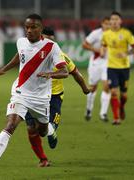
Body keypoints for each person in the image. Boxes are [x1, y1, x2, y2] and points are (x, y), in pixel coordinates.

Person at [0, 14, 68, 178]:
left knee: (42, 131)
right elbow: (19, 56)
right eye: (27, 27)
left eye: (33, 27)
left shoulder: (52, 47)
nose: (29, 30)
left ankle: (51, 131)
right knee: (10, 125)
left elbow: (64, 72)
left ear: (41, 28)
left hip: (41, 98)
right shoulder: (20, 42)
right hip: (20, 93)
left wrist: (50, 74)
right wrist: (3, 70)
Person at [25, 27, 90, 167]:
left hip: (54, 97)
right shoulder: (31, 53)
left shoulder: (61, 56)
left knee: (46, 128)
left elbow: (75, 73)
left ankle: (51, 131)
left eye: (51, 40)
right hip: (32, 96)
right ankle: (43, 159)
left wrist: (85, 88)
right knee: (31, 129)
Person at [100, 11, 134, 125]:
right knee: (113, 92)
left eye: (116, 19)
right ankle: (116, 118)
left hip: (124, 67)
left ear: (120, 21)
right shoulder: (106, 34)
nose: (114, 21)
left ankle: (121, 107)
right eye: (112, 19)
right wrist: (102, 52)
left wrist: (126, 53)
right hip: (111, 67)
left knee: (124, 95)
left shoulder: (126, 33)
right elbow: (103, 45)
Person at [83, 17, 111, 122]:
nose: (108, 26)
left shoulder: (113, 34)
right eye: (106, 24)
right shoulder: (96, 33)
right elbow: (84, 44)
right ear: (102, 24)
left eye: (109, 24)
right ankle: (89, 109)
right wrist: (96, 50)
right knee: (92, 88)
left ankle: (103, 113)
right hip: (95, 63)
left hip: (108, 64)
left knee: (106, 86)